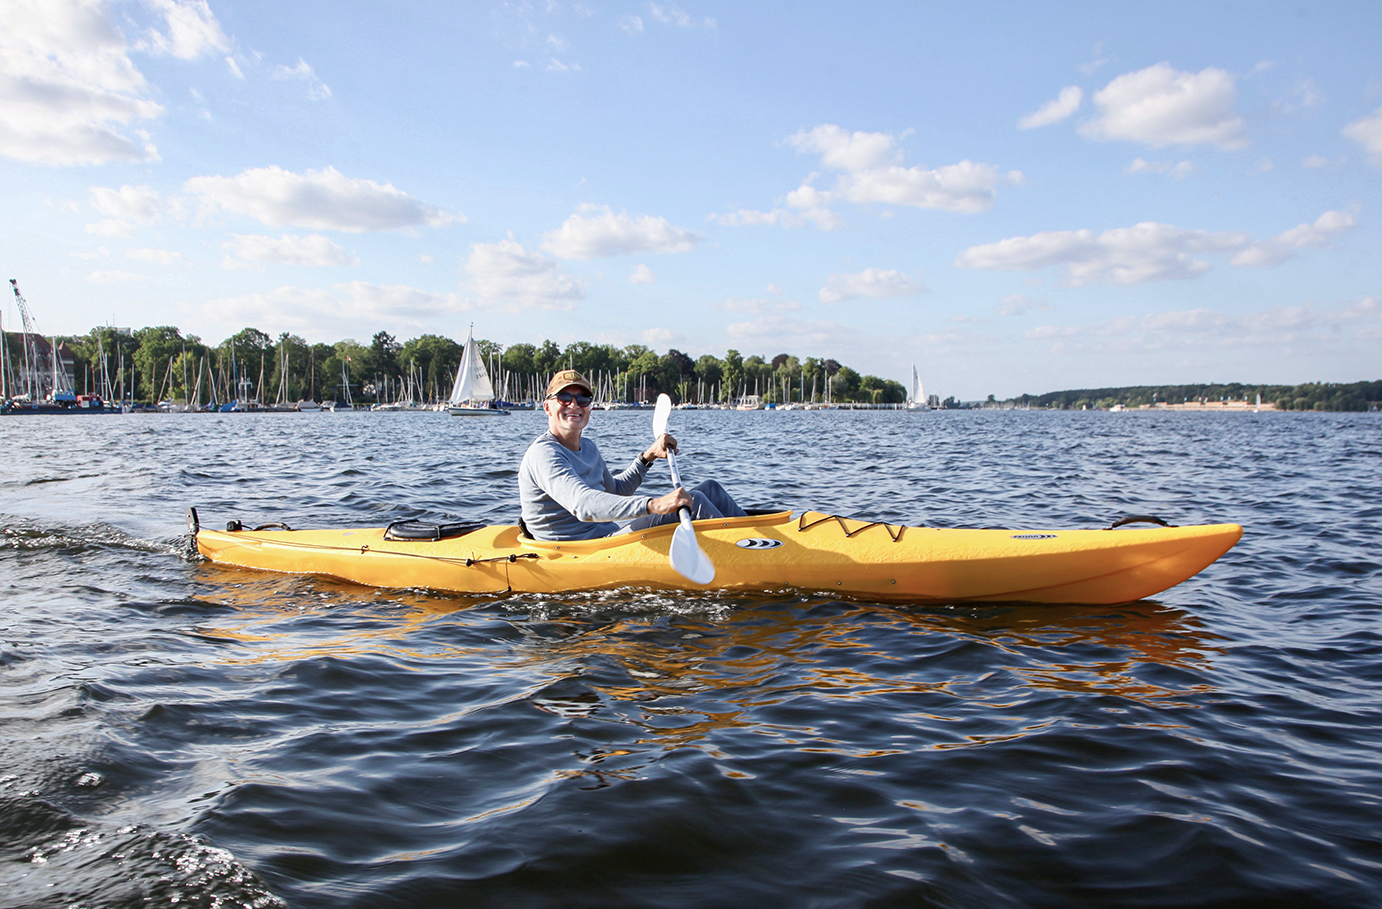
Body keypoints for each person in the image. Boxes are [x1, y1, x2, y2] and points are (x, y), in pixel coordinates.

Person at [519, 369, 747, 541]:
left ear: (589, 407)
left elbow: (615, 491)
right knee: (694, 503)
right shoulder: (544, 454)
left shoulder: (588, 447)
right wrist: (653, 504)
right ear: (547, 407)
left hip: (610, 536)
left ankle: (767, 541)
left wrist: (647, 457)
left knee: (710, 489)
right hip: (582, 550)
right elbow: (584, 504)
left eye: (583, 399)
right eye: (564, 398)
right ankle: (749, 552)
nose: (574, 405)